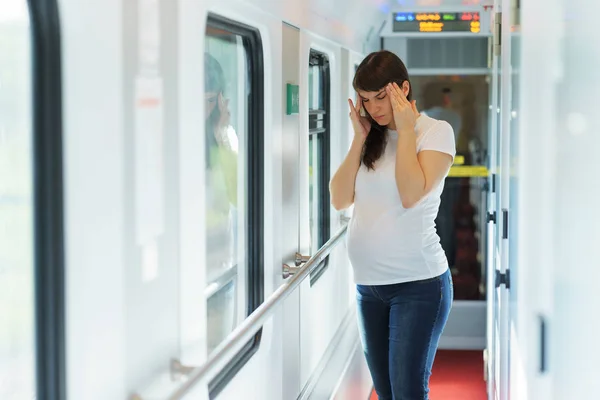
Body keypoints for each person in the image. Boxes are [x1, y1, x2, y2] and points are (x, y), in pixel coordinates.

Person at [329, 50, 455, 400]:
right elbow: (339, 198)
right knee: (386, 394)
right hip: (368, 288)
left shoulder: (435, 132)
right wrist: (359, 138)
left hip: (418, 286)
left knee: (408, 393)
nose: (374, 108)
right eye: (366, 100)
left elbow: (411, 193)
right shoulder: (373, 138)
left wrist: (405, 130)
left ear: (403, 88)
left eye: (381, 97)